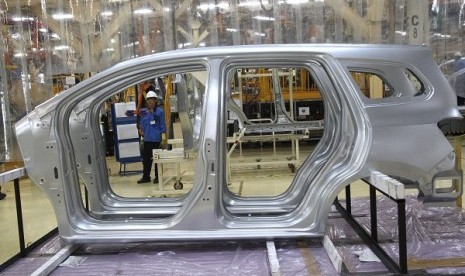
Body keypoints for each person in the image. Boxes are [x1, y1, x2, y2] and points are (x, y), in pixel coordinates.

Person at [137, 90, 166, 184]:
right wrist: (140, 131)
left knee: (157, 160)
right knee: (146, 160)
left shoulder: (160, 112)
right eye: (148, 100)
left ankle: (158, 177)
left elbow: (163, 125)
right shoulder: (144, 112)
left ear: (155, 101)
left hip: (156, 140)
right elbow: (141, 125)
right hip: (147, 140)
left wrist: (163, 137)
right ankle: (146, 177)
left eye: (152, 100)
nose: (150, 102)